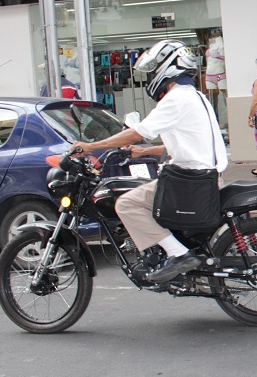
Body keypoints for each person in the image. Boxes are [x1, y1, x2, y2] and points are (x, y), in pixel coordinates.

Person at [71, 39, 227, 284]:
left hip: (190, 181)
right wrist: (144, 153)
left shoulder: (175, 100)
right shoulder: (196, 96)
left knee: (126, 204)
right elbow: (186, 144)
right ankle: (166, 251)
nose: (153, 75)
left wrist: (91, 146)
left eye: (156, 69)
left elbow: (137, 132)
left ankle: (178, 253)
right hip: (202, 176)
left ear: (168, 67)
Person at [205, 28, 227, 123]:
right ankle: (214, 120)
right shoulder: (212, 45)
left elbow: (224, 60)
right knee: (212, 99)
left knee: (224, 96)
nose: (213, 35)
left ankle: (227, 120)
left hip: (219, 74)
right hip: (209, 75)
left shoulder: (222, 45)